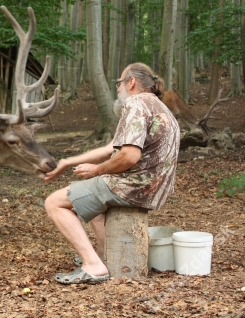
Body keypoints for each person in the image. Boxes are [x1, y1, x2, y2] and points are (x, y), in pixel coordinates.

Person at [43, 63, 180, 284]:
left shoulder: (136, 104)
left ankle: (93, 265)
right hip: (153, 188)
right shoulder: (158, 106)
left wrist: (97, 169)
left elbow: (129, 156)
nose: (117, 89)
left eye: (119, 83)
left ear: (131, 83)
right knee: (91, 204)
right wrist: (68, 162)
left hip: (133, 186)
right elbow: (111, 148)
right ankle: (103, 256)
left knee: (54, 203)